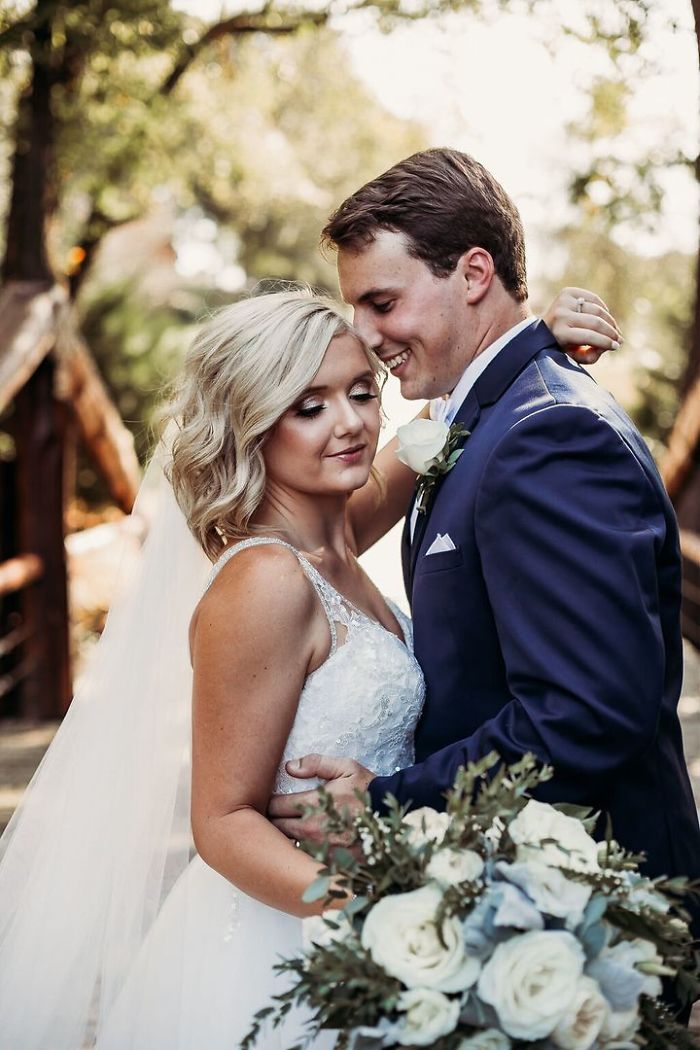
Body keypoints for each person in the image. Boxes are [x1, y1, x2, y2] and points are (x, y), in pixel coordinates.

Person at [0, 285, 617, 1049]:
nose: (352, 422)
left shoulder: (335, 543)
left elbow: (433, 427)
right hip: (291, 935)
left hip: (367, 913)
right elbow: (221, 823)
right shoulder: (267, 580)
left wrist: (530, 340)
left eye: (361, 392)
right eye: (308, 406)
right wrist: (388, 907)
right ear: (252, 426)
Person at [269, 150, 700, 964]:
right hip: (518, 907)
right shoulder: (484, 423)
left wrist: (386, 804)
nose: (365, 336)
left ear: (474, 274)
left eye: (383, 301)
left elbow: (584, 713)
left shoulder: (546, 437)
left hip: (588, 920)